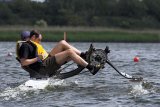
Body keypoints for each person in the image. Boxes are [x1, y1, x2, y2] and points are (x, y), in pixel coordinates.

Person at [18, 30, 100, 78]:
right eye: (39, 40)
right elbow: (23, 63)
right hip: (43, 67)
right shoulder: (26, 46)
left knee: (62, 43)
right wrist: (37, 59)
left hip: (45, 62)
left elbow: (41, 55)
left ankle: (84, 56)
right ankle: (91, 68)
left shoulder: (32, 45)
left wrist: (60, 53)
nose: (40, 42)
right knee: (69, 52)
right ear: (33, 37)